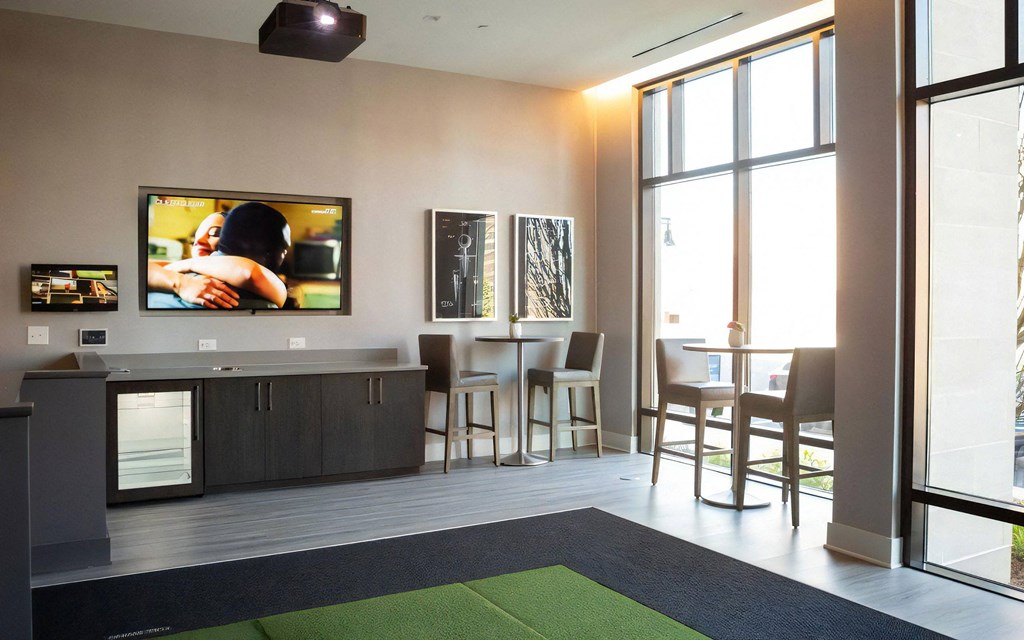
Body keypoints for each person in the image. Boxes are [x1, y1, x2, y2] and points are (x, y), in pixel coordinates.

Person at [148, 202, 291, 309]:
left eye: (216, 232)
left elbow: (250, 273)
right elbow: (143, 268)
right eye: (199, 232)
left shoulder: (259, 281)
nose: (200, 240)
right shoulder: (179, 270)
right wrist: (181, 282)